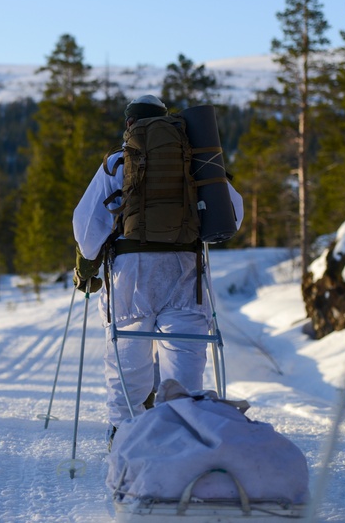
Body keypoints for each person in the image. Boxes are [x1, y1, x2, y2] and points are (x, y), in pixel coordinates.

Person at [71, 95, 243, 433]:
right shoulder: (196, 160)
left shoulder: (119, 162)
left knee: (128, 367)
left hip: (132, 276)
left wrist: (88, 261)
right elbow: (233, 214)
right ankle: (184, 437)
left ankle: (125, 437)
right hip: (184, 272)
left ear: (129, 125)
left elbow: (86, 224)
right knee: (184, 368)